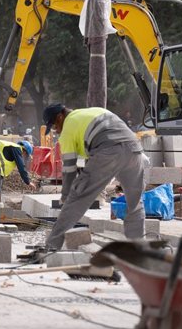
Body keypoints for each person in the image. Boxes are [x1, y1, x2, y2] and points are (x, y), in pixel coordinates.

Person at [42, 104, 148, 250]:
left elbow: (69, 170)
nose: (57, 131)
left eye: (54, 127)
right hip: (135, 151)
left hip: (109, 151)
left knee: (76, 198)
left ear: (60, 117)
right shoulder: (93, 112)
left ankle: (51, 245)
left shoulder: (68, 128)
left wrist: (66, 196)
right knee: (135, 203)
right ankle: (139, 249)